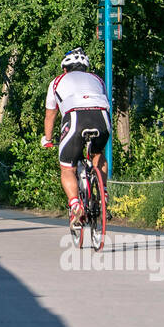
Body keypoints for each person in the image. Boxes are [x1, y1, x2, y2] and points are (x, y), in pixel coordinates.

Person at [41, 47, 111, 227]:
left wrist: (48, 140)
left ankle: (75, 205)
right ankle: (102, 193)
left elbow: (51, 115)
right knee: (98, 154)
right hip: (101, 116)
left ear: (64, 69)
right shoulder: (97, 79)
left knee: (67, 168)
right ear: (85, 68)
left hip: (75, 118)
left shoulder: (56, 82)